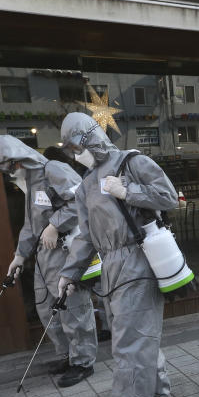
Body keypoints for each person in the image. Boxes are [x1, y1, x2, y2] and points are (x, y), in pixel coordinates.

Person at [57, 112, 178, 397]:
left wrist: (129, 191)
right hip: (111, 268)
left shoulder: (131, 162)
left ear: (91, 137)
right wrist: (70, 272)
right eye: (68, 149)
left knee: (129, 345)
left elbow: (168, 197)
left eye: (76, 145)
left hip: (138, 261)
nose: (74, 153)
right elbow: (84, 236)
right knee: (138, 338)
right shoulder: (84, 186)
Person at [0, 135, 97, 387]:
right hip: (42, 256)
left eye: (12, 165)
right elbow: (31, 224)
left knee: (73, 308)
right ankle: (67, 356)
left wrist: (55, 225)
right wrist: (19, 256)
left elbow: (82, 201)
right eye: (7, 169)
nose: (12, 172)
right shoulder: (31, 181)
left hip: (64, 252)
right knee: (47, 307)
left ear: (20, 157)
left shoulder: (54, 170)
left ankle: (83, 362)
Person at [44, 145, 112, 342]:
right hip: (92, 239)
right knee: (100, 287)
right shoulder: (79, 175)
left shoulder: (67, 180)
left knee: (98, 286)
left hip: (83, 241)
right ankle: (110, 326)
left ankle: (110, 327)